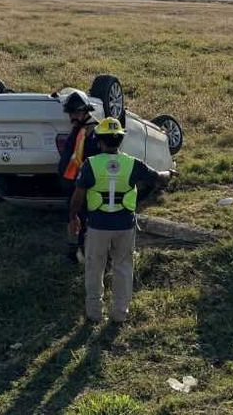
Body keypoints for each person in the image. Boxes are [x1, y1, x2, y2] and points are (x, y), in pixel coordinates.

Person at [68, 117, 170, 323]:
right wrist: (170, 172)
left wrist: (73, 217)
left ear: (99, 141)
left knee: (94, 268)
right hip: (124, 225)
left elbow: (78, 196)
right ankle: (120, 313)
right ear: (120, 140)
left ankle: (94, 313)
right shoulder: (132, 164)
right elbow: (159, 177)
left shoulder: (91, 164)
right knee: (123, 267)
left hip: (97, 226)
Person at [58, 91, 101, 262]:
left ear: (84, 111)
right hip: (73, 184)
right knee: (74, 217)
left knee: (83, 220)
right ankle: (74, 251)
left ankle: (82, 254)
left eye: (75, 113)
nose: (71, 117)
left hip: (84, 185)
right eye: (70, 113)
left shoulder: (94, 131)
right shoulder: (78, 129)